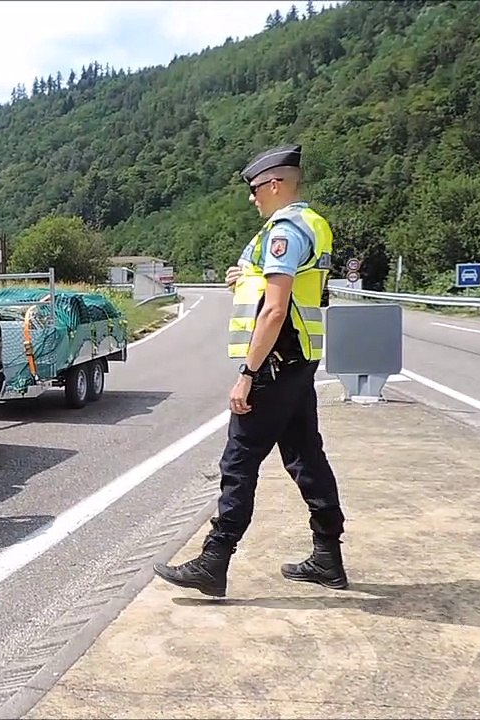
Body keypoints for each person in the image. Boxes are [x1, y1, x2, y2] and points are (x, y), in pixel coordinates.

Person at [154, 143, 349, 597]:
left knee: (238, 461)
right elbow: (294, 290)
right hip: (298, 362)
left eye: (256, 188)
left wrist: (247, 373)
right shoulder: (311, 224)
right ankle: (328, 557)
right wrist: (244, 280)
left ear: (276, 185)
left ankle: (214, 560)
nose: (252, 197)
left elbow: (276, 309)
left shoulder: (284, 231)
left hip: (274, 365)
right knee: (306, 457)